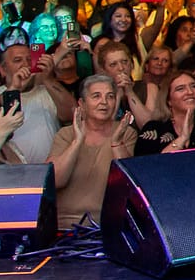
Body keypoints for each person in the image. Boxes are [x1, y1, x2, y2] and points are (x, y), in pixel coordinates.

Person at [48, 75, 136, 227]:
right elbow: (55, 180)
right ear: (82, 104)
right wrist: (77, 142)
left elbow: (129, 184)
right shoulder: (66, 134)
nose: (104, 102)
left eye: (110, 97)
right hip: (65, 226)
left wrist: (116, 143)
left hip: (108, 225)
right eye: (96, 96)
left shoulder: (125, 133)